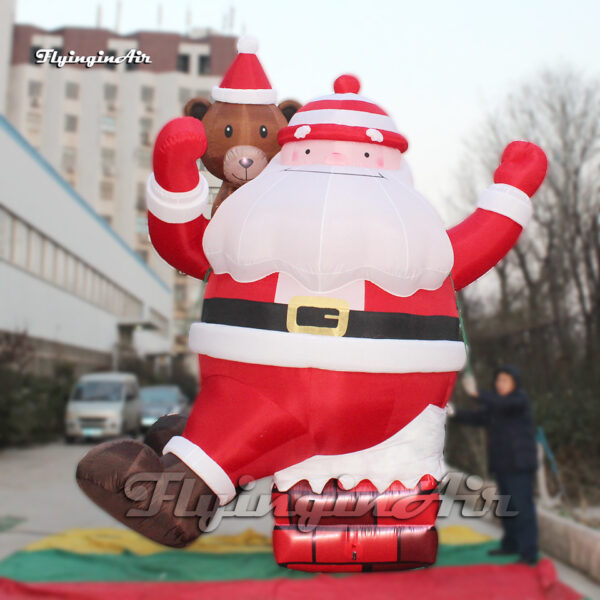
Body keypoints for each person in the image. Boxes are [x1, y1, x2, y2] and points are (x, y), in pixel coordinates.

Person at [450, 365, 539, 565]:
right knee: (508, 508)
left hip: (519, 466)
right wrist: (455, 413)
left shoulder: (518, 401)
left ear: (515, 384)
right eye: (499, 380)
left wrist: (476, 393)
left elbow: (500, 405)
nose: (500, 384)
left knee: (523, 508)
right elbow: (479, 418)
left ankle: (529, 553)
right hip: (502, 465)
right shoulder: (497, 406)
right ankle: (510, 545)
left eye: (505, 381)